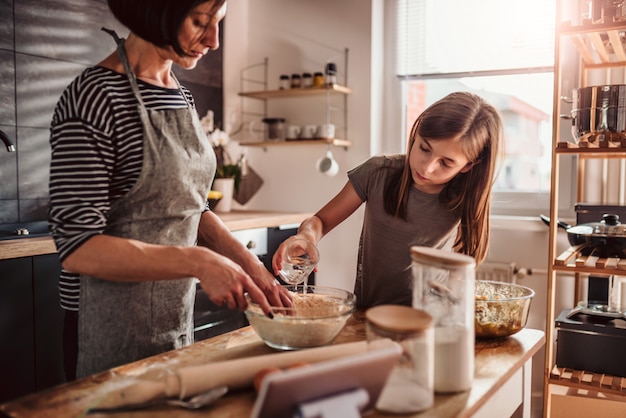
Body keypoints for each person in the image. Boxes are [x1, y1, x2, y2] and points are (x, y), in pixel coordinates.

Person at [48, 0, 289, 379]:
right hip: (105, 327)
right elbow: (78, 248)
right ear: (155, 11)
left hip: (173, 316)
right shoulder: (94, 96)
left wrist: (253, 267)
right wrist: (198, 261)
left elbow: (192, 207)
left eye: (218, 23)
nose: (213, 41)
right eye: (199, 22)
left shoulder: (180, 93)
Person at [273, 91, 502, 308]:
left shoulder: (466, 197)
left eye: (446, 163)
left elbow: (462, 267)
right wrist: (306, 236)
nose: (428, 166)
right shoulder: (377, 172)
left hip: (430, 320)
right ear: (416, 133)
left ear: (469, 165)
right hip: (369, 313)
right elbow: (320, 221)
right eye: (424, 148)